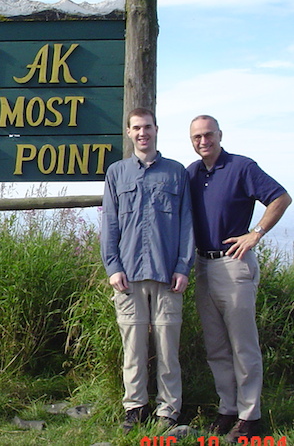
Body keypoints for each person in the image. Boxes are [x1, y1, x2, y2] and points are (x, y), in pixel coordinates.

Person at [187, 115, 291, 442]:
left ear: (220, 135)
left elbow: (281, 198)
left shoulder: (242, 167)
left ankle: (250, 417)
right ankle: (227, 409)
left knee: (242, 346)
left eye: (208, 135)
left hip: (234, 265)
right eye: (197, 137)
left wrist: (256, 233)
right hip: (202, 265)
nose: (203, 141)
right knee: (216, 346)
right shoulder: (192, 173)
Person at [100, 108, 195, 432]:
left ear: (156, 130)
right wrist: (113, 266)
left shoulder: (176, 172)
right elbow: (109, 223)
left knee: (168, 349)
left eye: (148, 127)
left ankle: (168, 410)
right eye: (137, 128)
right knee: (133, 349)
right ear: (129, 132)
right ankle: (135, 408)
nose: (143, 133)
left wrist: (183, 266)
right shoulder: (117, 173)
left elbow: (186, 224)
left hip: (168, 275)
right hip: (128, 276)